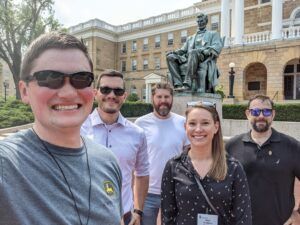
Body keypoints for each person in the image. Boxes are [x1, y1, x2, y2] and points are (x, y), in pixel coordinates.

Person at [0, 32, 123, 225]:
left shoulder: (108, 162)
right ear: (24, 91)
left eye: (81, 78)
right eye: (49, 77)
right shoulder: (6, 164)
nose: (67, 93)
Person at [161, 102, 252, 225]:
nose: (198, 129)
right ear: (185, 127)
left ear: (216, 127)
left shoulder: (233, 168)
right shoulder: (173, 166)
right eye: (192, 123)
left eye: (205, 123)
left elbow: (243, 218)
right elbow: (168, 216)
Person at [81, 69, 149, 225]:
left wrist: (138, 211)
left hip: (124, 216)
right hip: (85, 215)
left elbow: (142, 173)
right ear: (95, 93)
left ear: (124, 96)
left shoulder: (137, 134)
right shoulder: (78, 129)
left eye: (118, 91)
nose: (111, 95)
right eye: (105, 89)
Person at [226, 94, 300, 225]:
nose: (261, 116)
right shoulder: (232, 146)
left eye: (266, 111)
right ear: (248, 114)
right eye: (255, 111)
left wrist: (297, 213)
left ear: (273, 114)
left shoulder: (292, 146)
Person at [134, 83, 189, 225]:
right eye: (159, 96)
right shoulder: (141, 123)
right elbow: (134, 163)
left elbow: (190, 157)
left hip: (176, 193)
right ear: (152, 98)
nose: (163, 100)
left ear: (172, 98)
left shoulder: (183, 123)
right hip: (147, 195)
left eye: (167, 96)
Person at [166, 13, 223, 93]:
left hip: (203, 57)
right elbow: (183, 50)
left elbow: (217, 46)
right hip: (188, 58)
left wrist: (205, 51)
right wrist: (174, 52)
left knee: (193, 52)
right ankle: (178, 84)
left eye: (202, 21)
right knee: (170, 57)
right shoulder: (190, 38)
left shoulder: (213, 34)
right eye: (198, 21)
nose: (200, 23)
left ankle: (187, 83)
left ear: (206, 21)